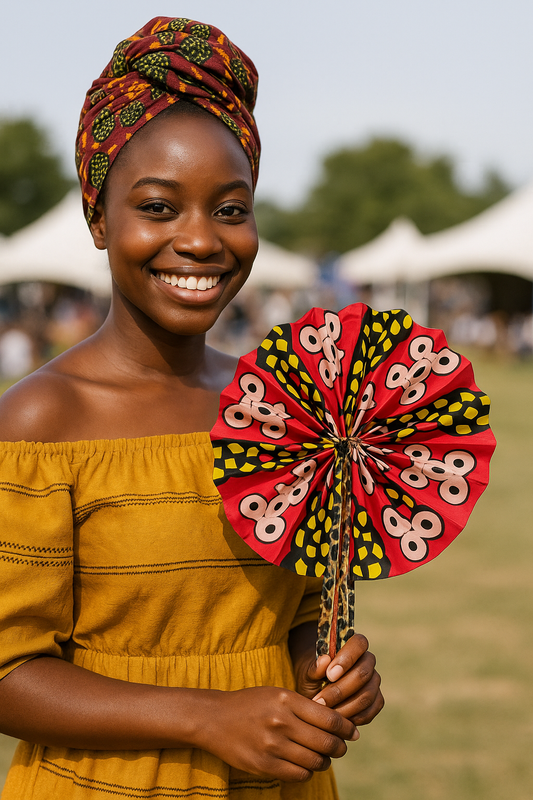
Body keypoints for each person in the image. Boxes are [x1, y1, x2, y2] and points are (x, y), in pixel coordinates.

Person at [0, 17, 383, 799]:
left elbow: (299, 610)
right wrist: (205, 717)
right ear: (100, 219)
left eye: (231, 209)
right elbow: (8, 672)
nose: (201, 241)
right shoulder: (42, 422)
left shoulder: (283, 409)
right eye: (159, 207)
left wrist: (327, 662)